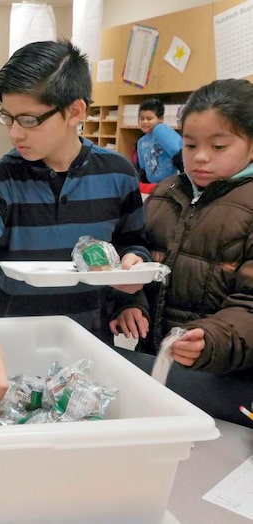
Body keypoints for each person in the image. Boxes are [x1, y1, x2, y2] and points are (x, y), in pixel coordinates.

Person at [0, 40, 151, 407]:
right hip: (12, 344)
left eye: (29, 119)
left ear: (75, 111)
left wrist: (131, 290)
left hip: (87, 343)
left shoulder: (118, 174)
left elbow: (131, 242)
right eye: (7, 117)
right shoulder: (3, 179)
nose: (15, 133)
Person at [130, 79, 253, 373]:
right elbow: (137, 258)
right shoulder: (164, 193)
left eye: (218, 146)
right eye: (190, 144)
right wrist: (129, 300)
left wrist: (211, 340)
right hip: (154, 361)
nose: (200, 156)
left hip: (223, 376)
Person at [136, 98, 183, 184]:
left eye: (149, 119)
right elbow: (143, 169)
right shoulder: (141, 142)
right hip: (154, 186)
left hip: (171, 185)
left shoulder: (161, 130)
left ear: (161, 119)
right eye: (142, 119)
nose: (145, 122)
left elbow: (179, 155)